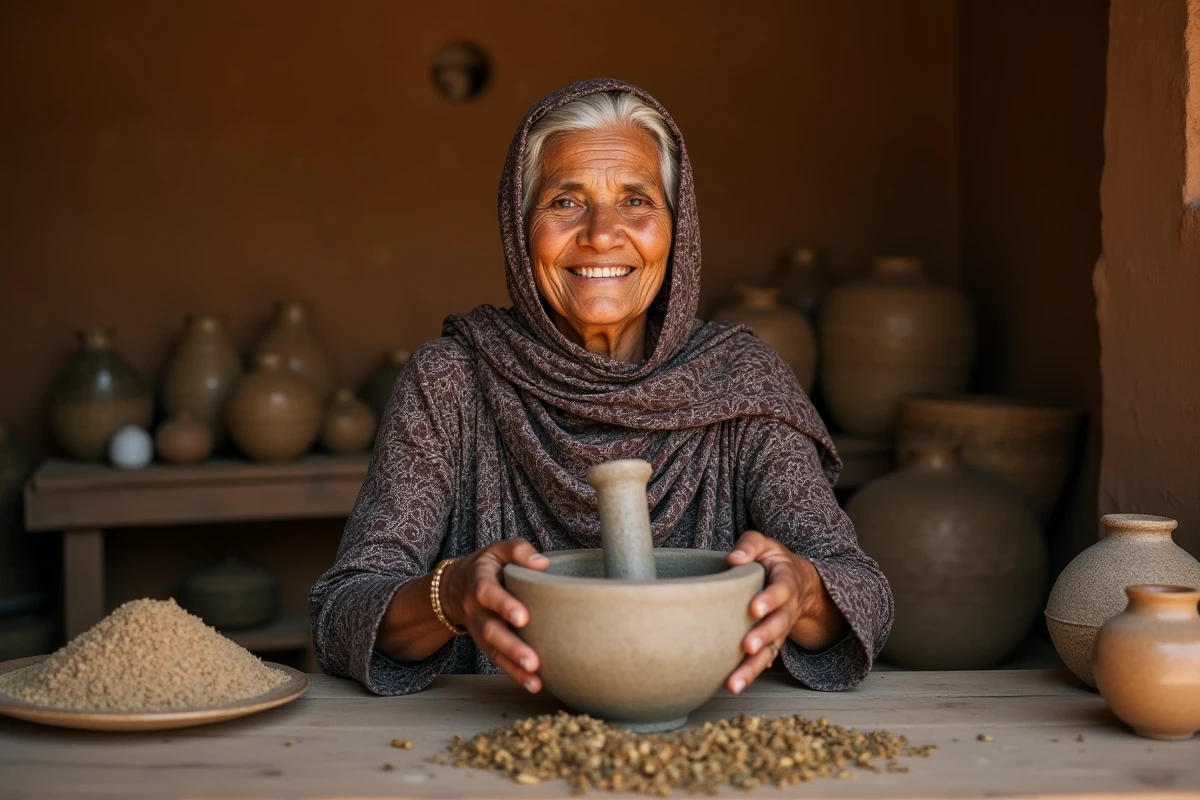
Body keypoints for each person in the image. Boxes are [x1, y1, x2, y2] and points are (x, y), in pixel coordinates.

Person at [310, 79, 893, 698]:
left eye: (636, 201)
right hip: (495, 737)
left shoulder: (739, 381)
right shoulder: (453, 380)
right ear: (519, 229)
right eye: (565, 201)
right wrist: (447, 595)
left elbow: (865, 597)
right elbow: (341, 613)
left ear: (678, 231)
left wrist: (804, 593)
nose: (602, 233)